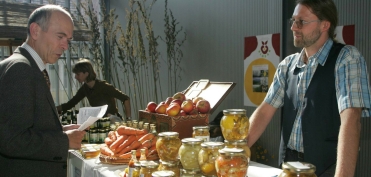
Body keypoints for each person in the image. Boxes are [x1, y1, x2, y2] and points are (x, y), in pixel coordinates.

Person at [246, 0, 371, 176]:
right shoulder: (287, 65)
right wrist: (238, 151)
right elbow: (265, 111)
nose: (294, 27)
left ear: (324, 25)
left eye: (301, 21)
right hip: (288, 167)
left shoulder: (347, 59)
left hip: (327, 168)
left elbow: (351, 120)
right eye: (293, 20)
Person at [0, 4, 86, 177]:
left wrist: (59, 130)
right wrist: (64, 141)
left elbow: (26, 125)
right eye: (60, 36)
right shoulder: (21, 69)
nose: (65, 46)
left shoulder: (24, 65)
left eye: (68, 40)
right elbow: (12, 140)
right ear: (35, 31)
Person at [56, 58, 132, 121]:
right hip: (99, 121)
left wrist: (128, 119)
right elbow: (71, 104)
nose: (75, 77)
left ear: (86, 73)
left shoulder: (104, 86)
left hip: (112, 120)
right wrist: (54, 109)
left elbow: (125, 99)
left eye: (78, 74)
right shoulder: (85, 88)